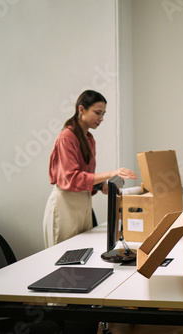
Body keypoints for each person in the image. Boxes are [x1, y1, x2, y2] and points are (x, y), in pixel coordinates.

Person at [43, 90, 137, 248]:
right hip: (66, 206)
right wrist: (111, 173)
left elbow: (85, 178)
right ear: (81, 110)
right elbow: (72, 178)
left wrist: (101, 186)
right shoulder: (66, 137)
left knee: (83, 255)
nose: (101, 118)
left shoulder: (89, 139)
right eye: (97, 113)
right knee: (64, 259)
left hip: (83, 204)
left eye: (103, 114)